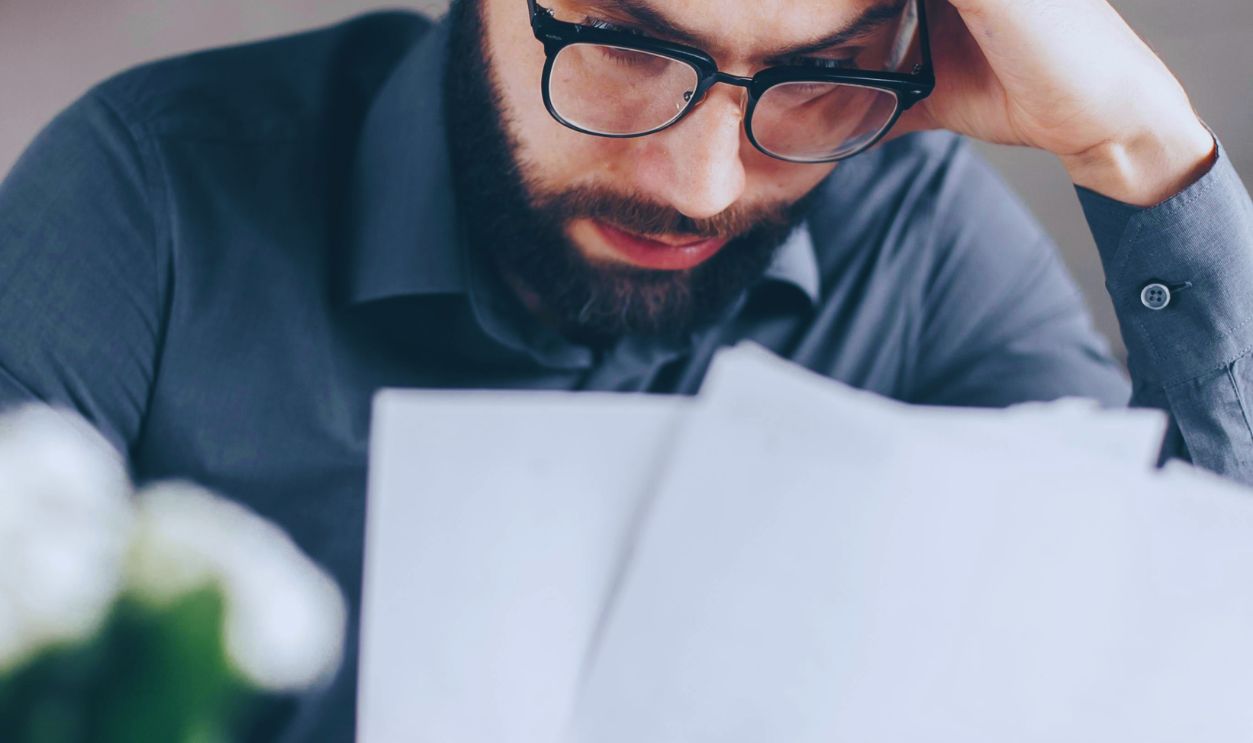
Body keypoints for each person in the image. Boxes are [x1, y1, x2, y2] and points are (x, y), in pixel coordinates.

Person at [0, 0, 1249, 738]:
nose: (698, 186)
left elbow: (1185, 652)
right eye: (627, 45)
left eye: (810, 76)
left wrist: (1130, 141)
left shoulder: (905, 231)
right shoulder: (149, 194)